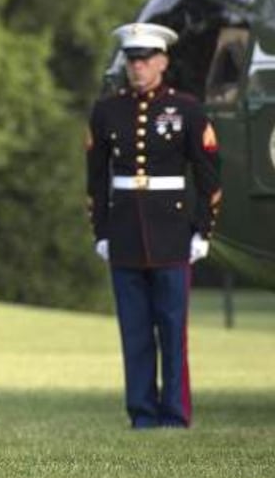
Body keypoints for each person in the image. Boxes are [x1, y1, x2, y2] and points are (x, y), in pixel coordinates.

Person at [86, 22, 222, 429]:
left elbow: (209, 174)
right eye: (131, 60)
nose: (137, 67)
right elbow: (96, 177)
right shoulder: (107, 110)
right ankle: (142, 413)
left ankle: (175, 414)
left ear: (162, 61)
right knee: (135, 332)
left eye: (145, 59)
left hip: (172, 234)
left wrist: (203, 229)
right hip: (126, 232)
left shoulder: (187, 109)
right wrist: (102, 232)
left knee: (172, 330)